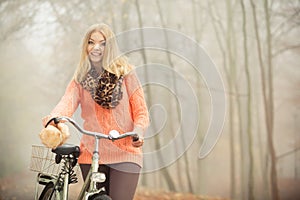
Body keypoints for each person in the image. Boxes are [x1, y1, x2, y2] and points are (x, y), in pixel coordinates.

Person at [42, 23, 149, 200]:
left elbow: (141, 112)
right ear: (86, 46)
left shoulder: (127, 74)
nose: (96, 48)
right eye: (91, 42)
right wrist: (55, 118)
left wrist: (138, 131)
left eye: (103, 43)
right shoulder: (80, 78)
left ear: (110, 47)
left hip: (126, 151)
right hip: (92, 153)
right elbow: (67, 102)